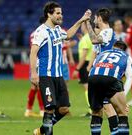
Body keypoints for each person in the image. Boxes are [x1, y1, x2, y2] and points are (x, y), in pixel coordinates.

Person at [30, 1, 90, 135]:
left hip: (58, 75)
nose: (60, 16)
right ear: (49, 14)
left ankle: (41, 130)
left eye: (61, 13)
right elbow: (33, 52)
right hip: (46, 76)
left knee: (64, 109)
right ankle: (47, 132)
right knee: (50, 108)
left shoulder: (57, 29)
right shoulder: (41, 32)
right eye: (57, 13)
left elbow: (68, 36)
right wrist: (34, 73)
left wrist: (81, 21)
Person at [88, 41, 132, 135]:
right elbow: (130, 76)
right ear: (124, 49)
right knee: (122, 113)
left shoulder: (102, 53)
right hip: (111, 78)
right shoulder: (126, 56)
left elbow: (92, 69)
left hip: (93, 78)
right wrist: (123, 97)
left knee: (96, 112)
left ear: (113, 47)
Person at [24, 17, 46, 118]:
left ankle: (28, 110)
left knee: (34, 87)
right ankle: (42, 110)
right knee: (40, 87)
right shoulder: (42, 33)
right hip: (40, 62)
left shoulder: (33, 34)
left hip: (34, 62)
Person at [72, 23, 93, 117]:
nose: (81, 27)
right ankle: (94, 108)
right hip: (91, 63)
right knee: (91, 88)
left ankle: (92, 109)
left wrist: (77, 68)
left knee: (87, 88)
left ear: (85, 26)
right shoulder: (91, 37)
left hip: (86, 65)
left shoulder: (85, 39)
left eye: (82, 25)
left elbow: (84, 56)